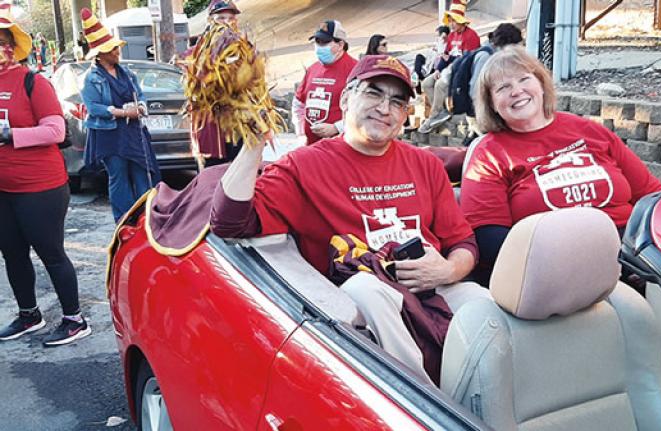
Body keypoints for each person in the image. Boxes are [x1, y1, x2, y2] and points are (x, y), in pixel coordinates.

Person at [211, 55, 489, 384]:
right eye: (373, 93)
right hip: (365, 303)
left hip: (434, 288)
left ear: (404, 115)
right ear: (346, 98)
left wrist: (447, 269)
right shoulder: (304, 166)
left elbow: (463, 242)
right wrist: (253, 145)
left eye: (397, 101)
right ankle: (423, 406)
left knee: (483, 303)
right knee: (366, 289)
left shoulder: (425, 165)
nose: (385, 109)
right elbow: (229, 223)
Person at [461, 48, 661, 286]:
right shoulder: (490, 154)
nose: (517, 91)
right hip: (555, 269)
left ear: (541, 84)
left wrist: (646, 253)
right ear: (492, 103)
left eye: (525, 79)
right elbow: (489, 238)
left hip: (631, 254)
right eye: (503, 88)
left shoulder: (589, 130)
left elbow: (652, 197)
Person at [0, 4, 91, 346]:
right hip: (3, 188)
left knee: (51, 253)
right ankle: (29, 315)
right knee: (12, 253)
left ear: (10, 46)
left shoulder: (32, 81)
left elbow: (54, 130)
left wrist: (12, 136)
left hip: (41, 187)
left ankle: (75, 319)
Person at [79, 8, 158, 222]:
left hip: (133, 132)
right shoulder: (90, 78)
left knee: (143, 173)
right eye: (112, 49)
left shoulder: (127, 72)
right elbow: (93, 107)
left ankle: (146, 219)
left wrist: (140, 107)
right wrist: (123, 112)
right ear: (100, 54)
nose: (117, 51)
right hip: (109, 135)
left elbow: (140, 94)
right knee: (119, 177)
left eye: (116, 47)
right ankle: (124, 222)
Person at [186, 0, 246, 167]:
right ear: (210, 20)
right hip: (210, 128)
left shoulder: (245, 49)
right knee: (211, 179)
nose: (226, 23)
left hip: (238, 125)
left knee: (238, 176)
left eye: (231, 18)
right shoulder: (197, 52)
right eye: (221, 18)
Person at [418, 0, 480, 133]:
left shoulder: (471, 36)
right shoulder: (452, 35)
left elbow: (467, 61)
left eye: (453, 21)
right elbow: (446, 55)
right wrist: (438, 69)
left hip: (461, 71)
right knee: (427, 83)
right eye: (450, 21)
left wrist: (450, 61)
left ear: (460, 21)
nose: (450, 24)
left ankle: (434, 116)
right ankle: (441, 112)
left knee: (440, 84)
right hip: (449, 68)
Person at [292, 20, 357, 145]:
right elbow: (298, 104)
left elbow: (364, 112)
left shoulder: (355, 70)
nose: (319, 46)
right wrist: (300, 134)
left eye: (325, 42)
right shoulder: (312, 69)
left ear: (340, 44)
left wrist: (337, 127)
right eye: (317, 42)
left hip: (342, 147)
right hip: (310, 147)